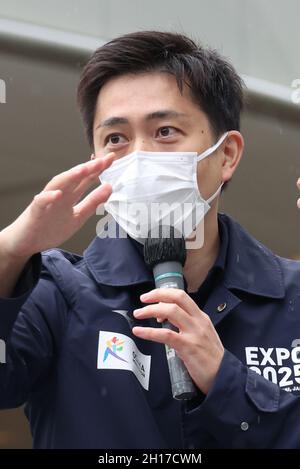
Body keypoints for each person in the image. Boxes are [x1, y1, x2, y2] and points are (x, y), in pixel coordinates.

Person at [0, 30, 300, 449]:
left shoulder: (293, 298)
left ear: (226, 154)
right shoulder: (59, 293)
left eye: (165, 131)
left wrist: (225, 380)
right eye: (116, 139)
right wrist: (10, 250)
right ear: (97, 164)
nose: (140, 157)